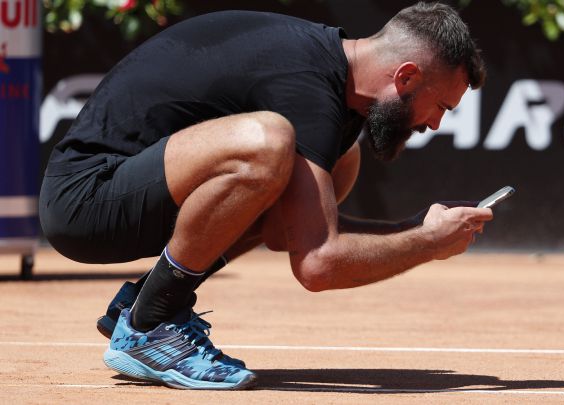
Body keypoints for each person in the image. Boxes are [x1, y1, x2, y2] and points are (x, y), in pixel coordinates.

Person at [39, 2, 492, 390]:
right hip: (86, 199)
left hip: (131, 192)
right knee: (267, 141)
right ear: (406, 77)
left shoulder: (338, 93)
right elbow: (318, 264)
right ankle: (150, 325)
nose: (434, 124)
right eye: (442, 107)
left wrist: (412, 228)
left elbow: (287, 232)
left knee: (337, 159)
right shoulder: (309, 83)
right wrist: (428, 243)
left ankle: (146, 301)